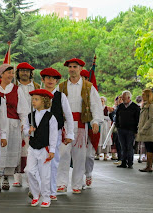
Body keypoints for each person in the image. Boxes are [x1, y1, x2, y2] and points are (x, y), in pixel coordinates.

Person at [57, 58, 103, 194]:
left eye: (75, 67)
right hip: (65, 125)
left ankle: (77, 184)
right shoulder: (61, 86)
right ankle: (61, 183)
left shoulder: (89, 87)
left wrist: (95, 121)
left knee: (80, 155)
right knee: (63, 153)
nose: (72, 69)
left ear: (81, 69)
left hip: (81, 124)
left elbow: (96, 105)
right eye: (70, 67)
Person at [40, 68, 74, 200]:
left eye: (53, 79)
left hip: (56, 133)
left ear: (56, 81)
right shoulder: (38, 95)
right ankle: (39, 189)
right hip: (39, 134)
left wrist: (70, 133)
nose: (50, 81)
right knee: (39, 161)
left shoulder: (61, 96)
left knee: (53, 161)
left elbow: (69, 116)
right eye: (47, 78)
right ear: (42, 79)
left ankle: (52, 191)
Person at [0, 64, 29, 191]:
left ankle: (6, 178)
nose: (11, 75)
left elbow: (23, 110)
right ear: (1, 74)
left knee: (10, 151)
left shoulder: (16, 89)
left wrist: (22, 124)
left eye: (12, 73)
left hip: (13, 125)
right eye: (8, 72)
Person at [24, 89, 58, 208]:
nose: (33, 101)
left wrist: (52, 150)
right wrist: (29, 131)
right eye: (33, 99)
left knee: (45, 174)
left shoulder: (51, 117)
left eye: (36, 99)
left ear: (44, 101)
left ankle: (46, 197)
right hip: (32, 148)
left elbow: (54, 135)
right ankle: (35, 194)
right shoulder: (30, 116)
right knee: (29, 171)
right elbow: (24, 130)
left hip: (45, 148)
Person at [13, 62, 40, 187]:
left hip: (32, 121)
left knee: (31, 150)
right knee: (16, 148)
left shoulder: (37, 87)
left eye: (27, 71)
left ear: (30, 73)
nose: (24, 73)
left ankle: (31, 177)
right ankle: (17, 177)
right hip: (15, 121)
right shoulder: (12, 86)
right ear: (17, 73)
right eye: (21, 70)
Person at [116, 90, 140, 169]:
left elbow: (137, 119)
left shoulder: (135, 107)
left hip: (130, 130)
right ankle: (123, 162)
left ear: (129, 97)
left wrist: (136, 131)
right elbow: (116, 117)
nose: (122, 99)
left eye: (124, 97)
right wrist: (118, 126)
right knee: (123, 146)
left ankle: (130, 162)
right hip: (121, 129)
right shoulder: (120, 106)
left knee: (129, 146)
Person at [136, 89, 153, 172]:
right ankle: (148, 165)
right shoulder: (144, 105)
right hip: (144, 129)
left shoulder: (151, 105)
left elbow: (151, 118)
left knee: (149, 147)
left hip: (148, 130)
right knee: (148, 148)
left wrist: (144, 128)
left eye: (144, 94)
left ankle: (149, 166)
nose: (142, 96)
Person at [97, 96, 112, 161]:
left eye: (102, 101)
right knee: (99, 138)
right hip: (99, 124)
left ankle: (106, 154)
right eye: (100, 101)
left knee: (105, 138)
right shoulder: (97, 108)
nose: (101, 102)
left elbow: (109, 118)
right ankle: (98, 154)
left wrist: (102, 117)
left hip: (105, 125)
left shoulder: (107, 108)